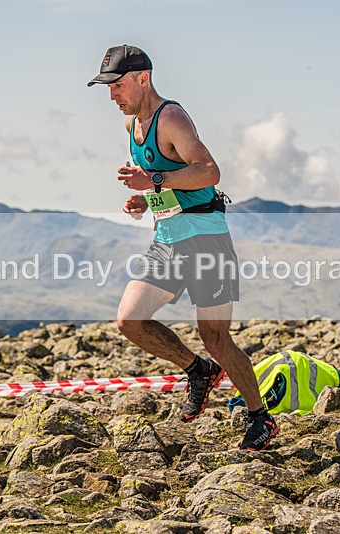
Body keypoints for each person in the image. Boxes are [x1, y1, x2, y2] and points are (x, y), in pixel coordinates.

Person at [88, 44, 278, 450]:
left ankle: (259, 417)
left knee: (216, 338)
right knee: (129, 321)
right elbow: (171, 181)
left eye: (117, 85)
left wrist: (153, 181)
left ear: (143, 78)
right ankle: (197, 370)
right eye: (107, 88)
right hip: (167, 239)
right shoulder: (131, 129)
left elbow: (209, 172)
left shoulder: (170, 117)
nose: (112, 96)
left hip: (206, 239)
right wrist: (145, 198)